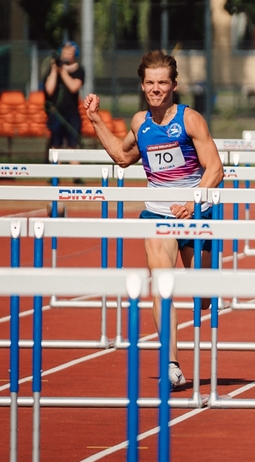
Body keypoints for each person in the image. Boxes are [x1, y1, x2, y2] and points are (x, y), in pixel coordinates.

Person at [84, 51, 224, 389]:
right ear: (143, 85)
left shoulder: (190, 120)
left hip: (195, 213)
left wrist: (192, 203)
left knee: (203, 296)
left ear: (174, 85)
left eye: (162, 82)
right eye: (150, 83)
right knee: (162, 287)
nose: (156, 89)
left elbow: (216, 169)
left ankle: (204, 293)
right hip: (157, 215)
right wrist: (96, 120)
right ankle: (172, 363)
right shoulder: (139, 122)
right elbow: (122, 157)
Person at [44, 41, 85, 150]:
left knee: (72, 146)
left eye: (69, 53)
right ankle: (56, 167)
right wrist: (54, 70)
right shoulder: (53, 71)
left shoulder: (79, 70)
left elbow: (73, 87)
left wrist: (62, 72)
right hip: (56, 113)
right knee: (56, 146)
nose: (66, 56)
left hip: (72, 114)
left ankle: (74, 167)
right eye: (64, 53)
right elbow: (49, 90)